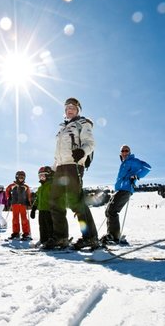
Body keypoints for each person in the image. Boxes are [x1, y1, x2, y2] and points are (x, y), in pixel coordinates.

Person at [44, 97, 99, 250]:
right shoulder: (62, 128)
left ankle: (90, 237)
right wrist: (53, 168)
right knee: (55, 202)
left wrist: (83, 151)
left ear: (78, 110)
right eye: (67, 107)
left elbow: (90, 143)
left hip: (74, 165)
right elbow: (58, 153)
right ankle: (61, 237)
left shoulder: (83, 123)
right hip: (61, 167)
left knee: (76, 202)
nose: (69, 110)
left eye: (73, 108)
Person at [100, 145, 151, 246]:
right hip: (119, 189)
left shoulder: (133, 160)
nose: (124, 152)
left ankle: (113, 236)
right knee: (108, 211)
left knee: (112, 211)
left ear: (129, 152)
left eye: (126, 150)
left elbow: (147, 167)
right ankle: (111, 234)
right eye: (123, 151)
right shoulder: (124, 163)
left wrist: (136, 176)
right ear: (120, 153)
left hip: (126, 189)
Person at [31, 166, 55, 247]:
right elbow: (37, 199)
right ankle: (43, 239)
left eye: (43, 176)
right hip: (41, 210)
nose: (41, 177)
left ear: (48, 175)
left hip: (49, 210)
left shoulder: (51, 185)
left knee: (49, 226)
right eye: (40, 176)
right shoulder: (40, 188)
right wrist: (34, 208)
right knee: (42, 226)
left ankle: (50, 240)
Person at [5, 171, 32, 240]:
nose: (21, 179)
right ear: (16, 177)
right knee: (15, 219)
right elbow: (7, 190)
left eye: (22, 177)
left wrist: (28, 201)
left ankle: (26, 233)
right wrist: (9, 197)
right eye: (20, 177)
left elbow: (28, 194)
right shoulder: (12, 185)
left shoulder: (26, 186)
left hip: (23, 204)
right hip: (15, 204)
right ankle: (16, 232)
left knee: (24, 219)